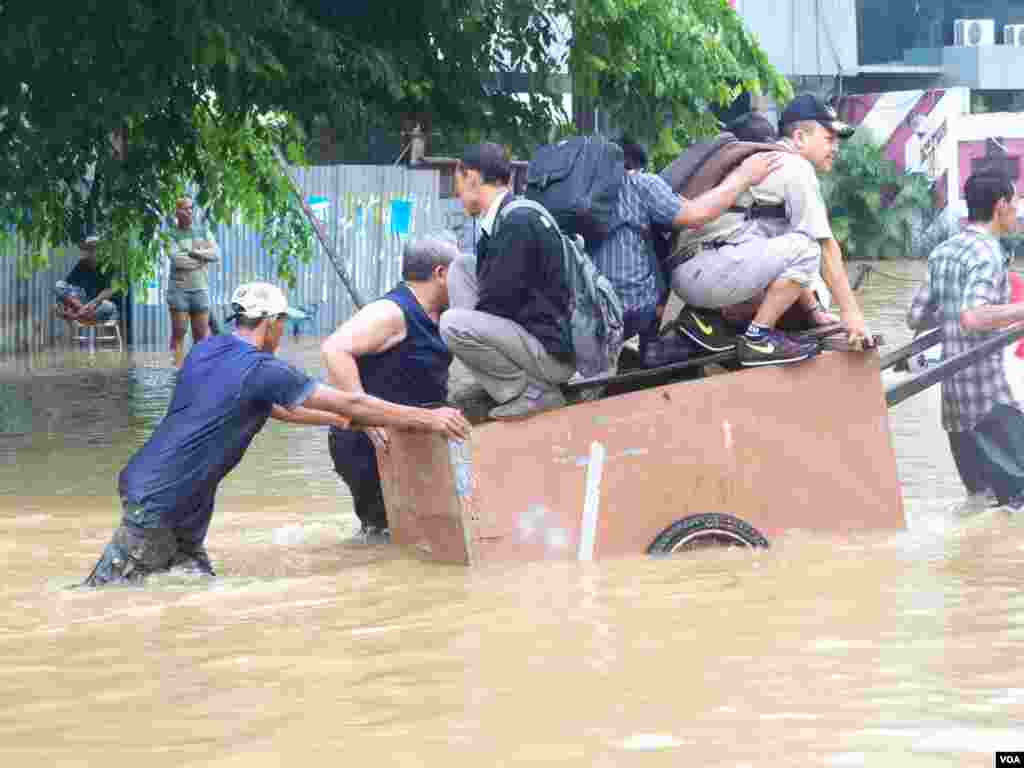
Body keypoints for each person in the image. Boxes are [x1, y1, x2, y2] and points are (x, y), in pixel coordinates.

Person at [82, 282, 471, 587]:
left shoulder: (206, 351)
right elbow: (351, 402)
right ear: (271, 323)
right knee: (102, 600)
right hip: (161, 502)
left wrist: (339, 424)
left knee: (192, 596)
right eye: (285, 323)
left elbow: (277, 408)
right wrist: (429, 419)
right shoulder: (264, 369)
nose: (284, 331)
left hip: (180, 503)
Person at [670, 94, 870, 366]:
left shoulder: (768, 159)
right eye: (829, 138)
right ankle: (757, 338)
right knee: (809, 249)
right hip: (706, 270)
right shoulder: (794, 167)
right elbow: (823, 248)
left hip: (695, 271)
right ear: (799, 138)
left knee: (800, 252)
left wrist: (814, 311)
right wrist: (852, 316)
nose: (836, 148)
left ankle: (713, 319)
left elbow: (783, 252)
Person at [599, 136, 783, 368]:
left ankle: (655, 341)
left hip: (584, 308)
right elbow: (695, 216)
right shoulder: (639, 184)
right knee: (661, 239)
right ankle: (658, 339)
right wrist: (744, 176)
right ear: (634, 167)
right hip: (633, 309)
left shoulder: (580, 195)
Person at [321, 232, 457, 538]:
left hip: (408, 434)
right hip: (368, 443)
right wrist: (367, 416)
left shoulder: (440, 314)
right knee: (386, 536)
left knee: (416, 535)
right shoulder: (392, 312)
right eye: (459, 271)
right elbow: (334, 349)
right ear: (441, 274)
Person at [907, 167, 1024, 513]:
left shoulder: (944, 251)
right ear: (1001, 204)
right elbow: (974, 316)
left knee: (983, 506)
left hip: (955, 408)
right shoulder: (988, 254)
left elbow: (915, 316)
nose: (1018, 208)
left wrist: (952, 311)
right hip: (990, 404)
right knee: (1015, 508)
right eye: (1016, 200)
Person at [440, 143, 576, 420]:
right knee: (462, 266)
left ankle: (531, 392)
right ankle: (501, 377)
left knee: (452, 324)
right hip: (533, 338)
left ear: (473, 178)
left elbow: (499, 301)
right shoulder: (509, 214)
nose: (458, 195)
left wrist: (469, 332)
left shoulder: (517, 223)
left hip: (549, 354)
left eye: (459, 185)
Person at [167, 196, 219, 365]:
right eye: (184, 208)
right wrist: (203, 259)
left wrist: (196, 254)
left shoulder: (203, 231)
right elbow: (177, 260)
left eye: (191, 208)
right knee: (179, 332)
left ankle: (198, 370)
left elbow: (216, 254)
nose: (189, 211)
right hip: (179, 290)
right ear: (177, 211)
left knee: (201, 336)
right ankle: (175, 370)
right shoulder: (170, 234)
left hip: (200, 289)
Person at [54, 235, 120, 333]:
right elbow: (67, 284)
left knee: (108, 307)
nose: (92, 251)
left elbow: (111, 289)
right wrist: (67, 303)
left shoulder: (110, 265)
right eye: (89, 249)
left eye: (95, 248)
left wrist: (94, 303)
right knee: (59, 285)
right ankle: (80, 313)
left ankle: (76, 315)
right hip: (84, 304)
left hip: (102, 305)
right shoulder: (82, 264)